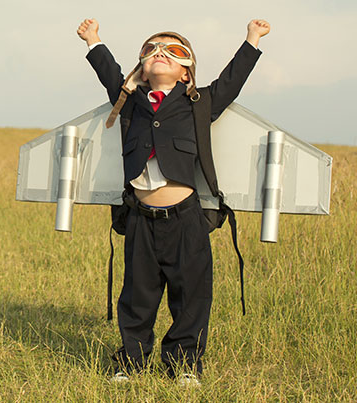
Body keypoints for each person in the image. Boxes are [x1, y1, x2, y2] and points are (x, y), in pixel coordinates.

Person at [77, 18, 270, 386]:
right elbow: (109, 74)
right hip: (140, 218)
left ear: (186, 74)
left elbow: (232, 81)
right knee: (137, 295)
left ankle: (184, 365)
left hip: (187, 219)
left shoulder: (199, 103)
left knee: (192, 295)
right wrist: (93, 40)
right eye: (151, 51)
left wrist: (252, 39)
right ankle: (130, 363)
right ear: (142, 71)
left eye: (174, 51)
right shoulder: (130, 102)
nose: (160, 54)